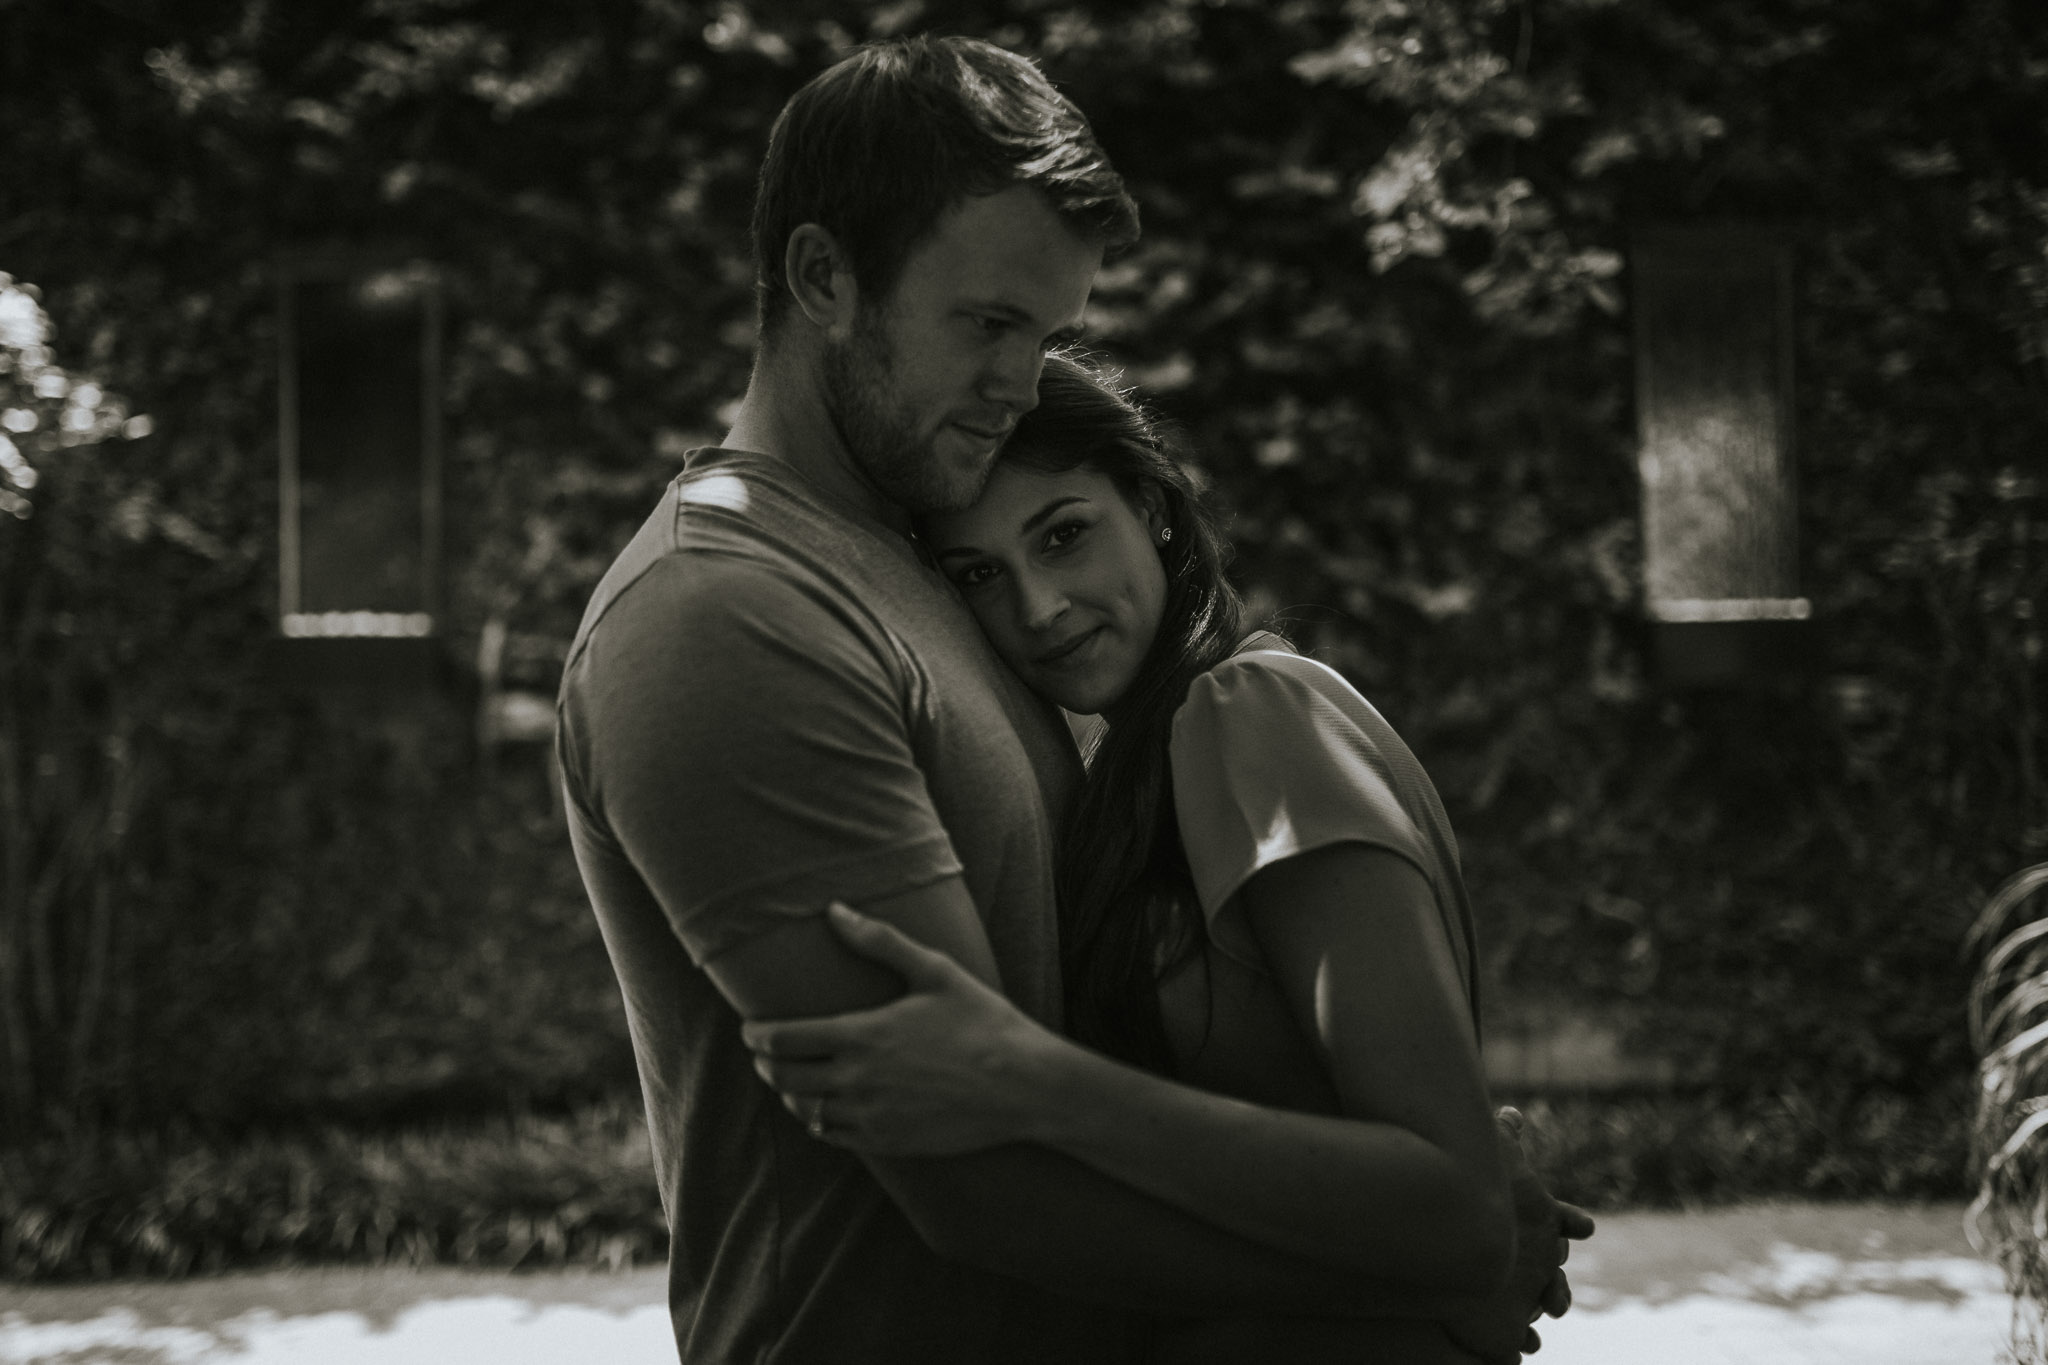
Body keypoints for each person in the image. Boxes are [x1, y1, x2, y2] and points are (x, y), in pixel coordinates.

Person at [558, 33, 1580, 1365]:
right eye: (988, 324)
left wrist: (1407, 1189)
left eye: (1046, 337)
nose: (1022, 382)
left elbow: (1081, 1048)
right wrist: (1417, 1266)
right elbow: (977, 1182)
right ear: (822, 278)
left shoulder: (917, 553)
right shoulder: (726, 613)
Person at [741, 353, 1595, 1360]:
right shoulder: (1142, 764)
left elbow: (1449, 1201)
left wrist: (1025, 1077)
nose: (1039, 608)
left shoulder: (1251, 713)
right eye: (979, 574)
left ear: (1149, 505)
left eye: (1063, 535)